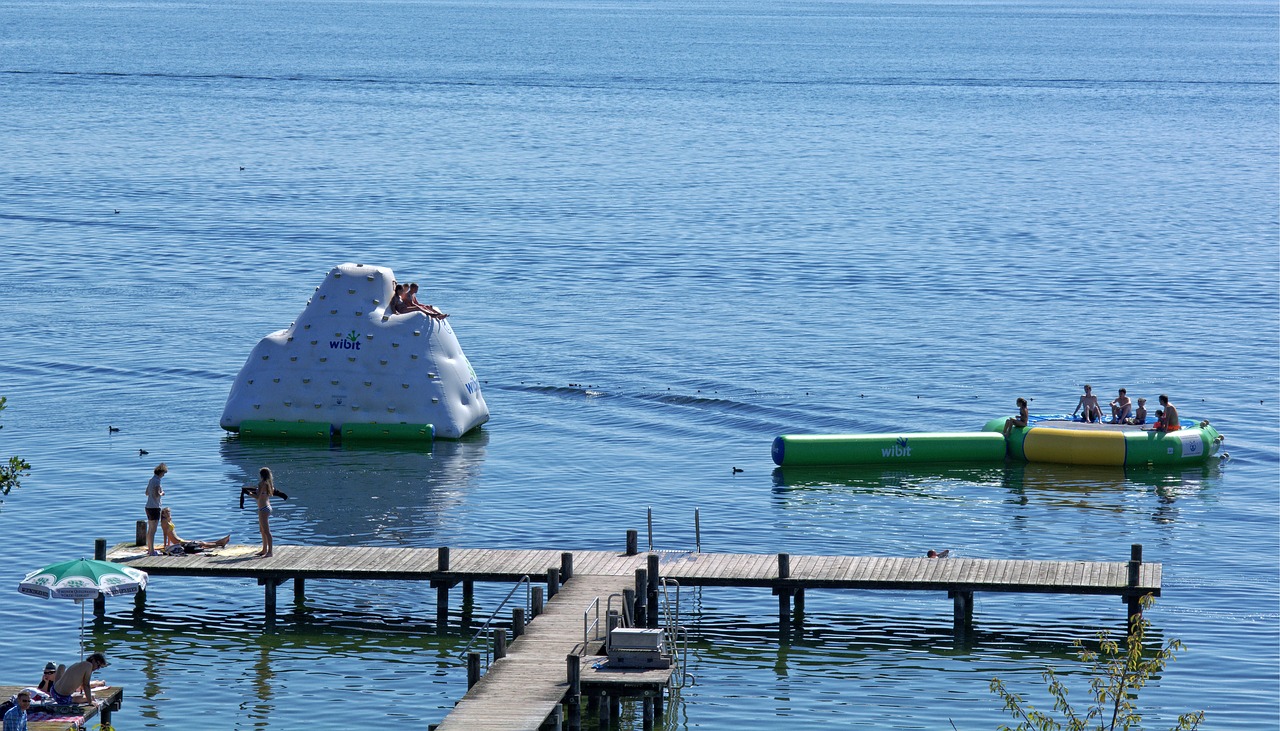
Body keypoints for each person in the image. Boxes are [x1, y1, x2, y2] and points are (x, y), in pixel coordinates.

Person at [160, 507, 229, 552]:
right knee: (200, 543)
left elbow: (170, 533)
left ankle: (219, 542)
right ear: (163, 514)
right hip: (178, 542)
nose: (169, 513)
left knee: (199, 542)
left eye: (169, 512)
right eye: (167, 512)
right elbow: (165, 534)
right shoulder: (164, 522)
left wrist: (169, 544)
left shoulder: (168, 521)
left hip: (180, 540)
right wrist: (165, 546)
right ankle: (219, 544)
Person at [145, 463, 167, 556]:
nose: (163, 475)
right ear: (160, 472)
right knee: (153, 530)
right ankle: (152, 551)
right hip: (155, 507)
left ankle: (150, 549)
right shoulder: (157, 481)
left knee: (150, 529)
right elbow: (157, 494)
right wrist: (162, 493)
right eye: (163, 473)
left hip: (148, 507)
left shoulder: (151, 480)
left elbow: (146, 493)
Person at [255, 467, 275, 558]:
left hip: (263, 509)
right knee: (262, 530)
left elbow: (258, 497)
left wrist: (249, 493)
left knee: (266, 531)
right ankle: (264, 550)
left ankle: (269, 552)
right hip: (266, 507)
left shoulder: (262, 483)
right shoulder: (269, 484)